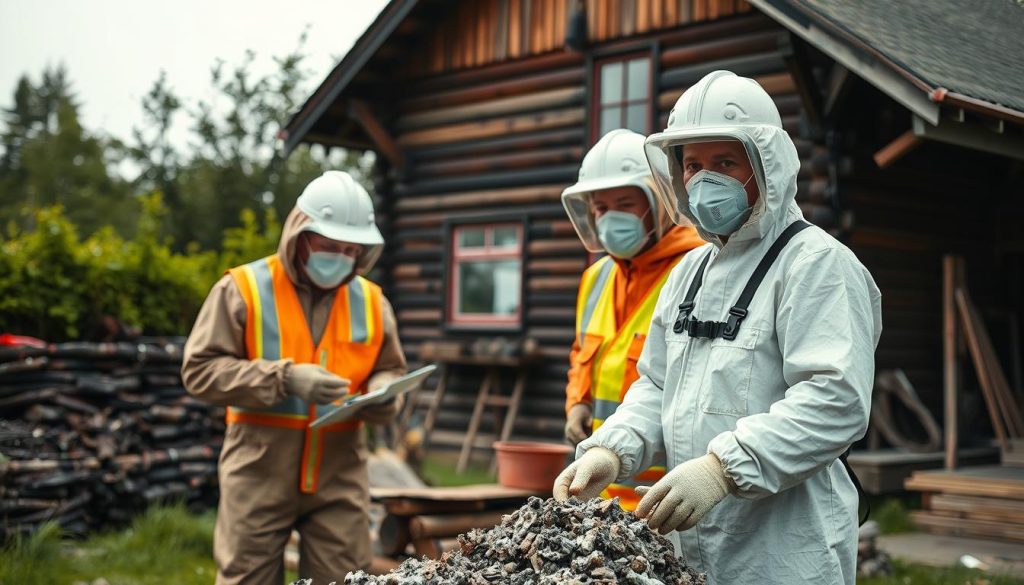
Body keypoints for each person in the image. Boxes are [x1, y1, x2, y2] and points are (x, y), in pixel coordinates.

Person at [553, 71, 882, 585]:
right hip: (687, 545)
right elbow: (657, 385)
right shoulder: (689, 272)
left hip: (782, 550)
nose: (705, 179)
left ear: (765, 164)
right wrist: (611, 449)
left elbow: (834, 401)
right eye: (693, 165)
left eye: (725, 162)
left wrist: (722, 468)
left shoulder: (817, 264)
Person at [182, 170, 407, 584]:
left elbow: (391, 368)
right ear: (299, 234)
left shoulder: (373, 301)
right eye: (328, 246)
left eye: (350, 249)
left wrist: (383, 393)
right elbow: (199, 371)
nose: (339, 257)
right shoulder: (243, 288)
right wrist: (285, 379)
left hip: (341, 478)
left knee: (345, 580)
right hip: (258, 472)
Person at [560, 128, 704, 511]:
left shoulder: (698, 269)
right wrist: (578, 403)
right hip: (599, 488)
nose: (610, 218)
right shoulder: (596, 278)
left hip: (667, 498)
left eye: (625, 203)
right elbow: (583, 354)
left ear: (658, 202)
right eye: (601, 208)